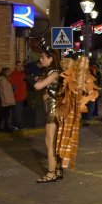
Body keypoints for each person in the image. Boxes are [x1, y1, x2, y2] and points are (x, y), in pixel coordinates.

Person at [33, 48, 63, 182]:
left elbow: (37, 87)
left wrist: (35, 80)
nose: (41, 59)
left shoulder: (54, 73)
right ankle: (57, 170)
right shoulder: (51, 72)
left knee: (50, 142)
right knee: (53, 141)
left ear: (51, 59)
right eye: (41, 57)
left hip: (53, 111)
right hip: (51, 109)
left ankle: (51, 173)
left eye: (44, 57)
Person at [0, 67, 15, 132]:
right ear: (4, 72)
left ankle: (0, 127)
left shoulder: (5, 79)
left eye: (9, 71)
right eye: (8, 71)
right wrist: (8, 101)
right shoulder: (3, 80)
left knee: (4, 115)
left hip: (6, 100)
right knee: (4, 115)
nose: (9, 72)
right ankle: (3, 127)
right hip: (6, 101)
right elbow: (5, 91)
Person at [8, 60, 27, 130]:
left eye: (21, 65)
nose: (20, 67)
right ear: (16, 66)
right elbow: (12, 86)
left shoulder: (22, 74)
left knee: (19, 111)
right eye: (18, 65)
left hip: (22, 96)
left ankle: (17, 124)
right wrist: (14, 94)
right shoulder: (13, 75)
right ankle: (15, 124)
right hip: (16, 97)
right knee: (16, 111)